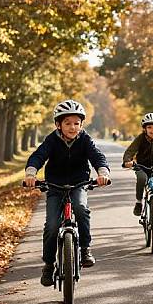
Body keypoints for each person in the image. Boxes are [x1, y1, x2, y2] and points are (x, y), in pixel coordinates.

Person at [24, 99, 110, 286]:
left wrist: (103, 172)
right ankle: (48, 264)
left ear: (81, 125)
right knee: (53, 225)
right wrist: (31, 173)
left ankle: (85, 249)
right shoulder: (51, 140)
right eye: (67, 123)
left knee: (80, 208)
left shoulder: (85, 139)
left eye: (76, 123)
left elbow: (97, 156)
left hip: (79, 183)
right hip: (55, 186)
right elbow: (38, 156)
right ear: (58, 124)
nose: (72, 127)